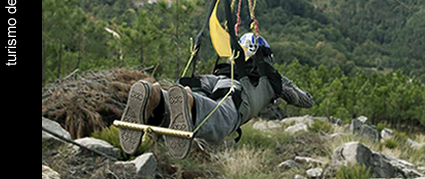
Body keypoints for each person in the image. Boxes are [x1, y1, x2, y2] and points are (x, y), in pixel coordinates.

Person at [119, 33, 314, 159]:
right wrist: (287, 91)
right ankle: (188, 100)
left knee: (185, 107)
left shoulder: (229, 66)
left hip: (211, 80)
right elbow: (306, 101)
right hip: (236, 91)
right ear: (266, 55)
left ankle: (155, 95)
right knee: (222, 119)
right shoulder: (273, 78)